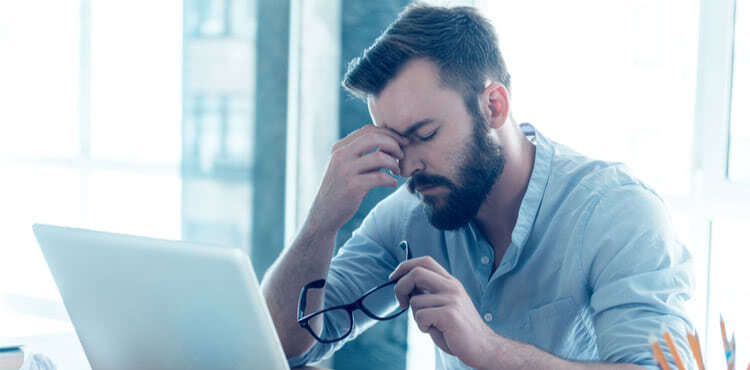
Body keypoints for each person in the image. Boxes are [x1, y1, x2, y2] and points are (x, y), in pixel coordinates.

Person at [262, 4, 694, 370]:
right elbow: (285, 345)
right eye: (394, 143)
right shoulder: (411, 214)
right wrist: (321, 221)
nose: (408, 166)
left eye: (425, 134)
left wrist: (489, 349)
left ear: (494, 106)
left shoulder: (618, 213)